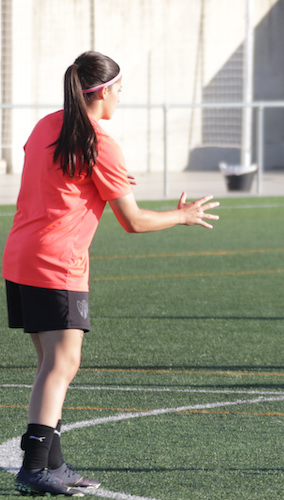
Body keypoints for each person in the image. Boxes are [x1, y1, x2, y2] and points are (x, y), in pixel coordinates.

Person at [3, 51, 220, 496]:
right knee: (61, 363)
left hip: (20, 255)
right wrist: (183, 216)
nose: (121, 97)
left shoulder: (47, 125)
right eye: (119, 89)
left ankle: (53, 463)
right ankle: (34, 466)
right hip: (57, 262)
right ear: (100, 92)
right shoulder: (99, 142)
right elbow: (133, 221)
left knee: (50, 363)